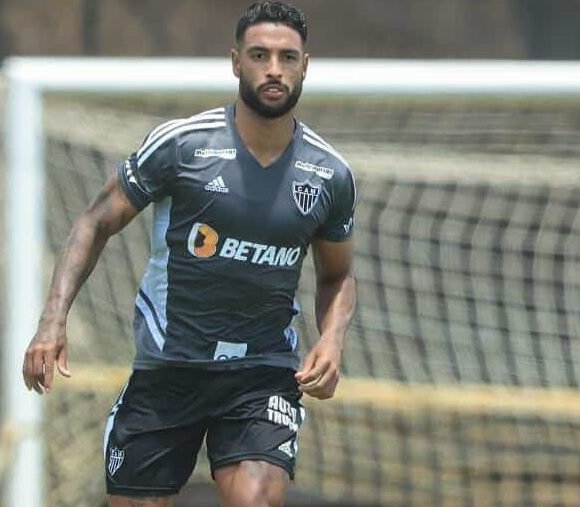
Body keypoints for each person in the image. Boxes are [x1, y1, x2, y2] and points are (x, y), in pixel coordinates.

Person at [22, 2, 357, 505]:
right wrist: (52, 321)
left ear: (305, 66)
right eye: (259, 55)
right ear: (235, 62)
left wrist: (331, 339)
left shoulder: (329, 174)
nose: (273, 69)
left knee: (258, 496)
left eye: (287, 58)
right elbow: (95, 222)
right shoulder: (181, 146)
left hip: (261, 372)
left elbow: (338, 274)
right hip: (168, 368)